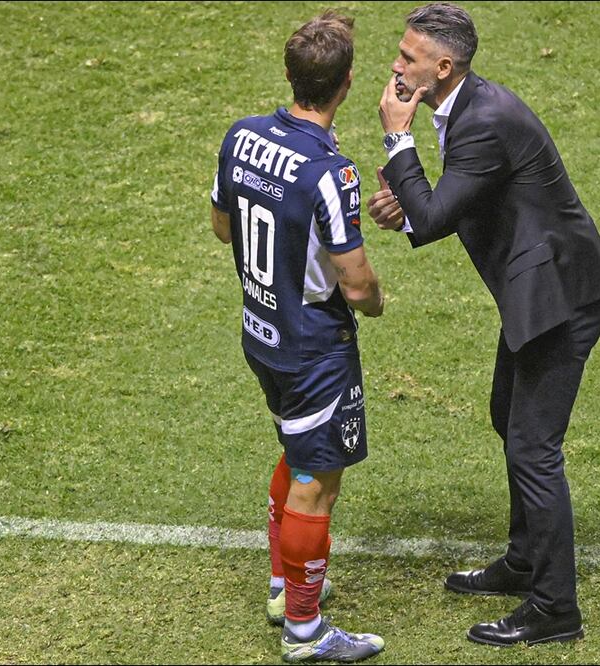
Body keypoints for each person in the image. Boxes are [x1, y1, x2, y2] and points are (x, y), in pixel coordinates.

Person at [367, 2, 600, 647]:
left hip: (559, 298)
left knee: (533, 447)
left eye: (407, 59)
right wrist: (411, 197)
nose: (395, 67)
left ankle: (554, 608)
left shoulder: (482, 120)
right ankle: (524, 560)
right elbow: (451, 203)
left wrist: (399, 144)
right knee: (509, 417)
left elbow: (432, 219)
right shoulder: (469, 106)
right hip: (541, 288)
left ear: (442, 68)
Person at [210, 11, 386, 663]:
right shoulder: (329, 171)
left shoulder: (240, 138)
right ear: (344, 86)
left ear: (289, 76)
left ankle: (285, 586)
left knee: (294, 449)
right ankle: (305, 631)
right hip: (313, 347)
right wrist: (372, 304)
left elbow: (222, 227)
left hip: (261, 333)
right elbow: (358, 283)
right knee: (318, 479)